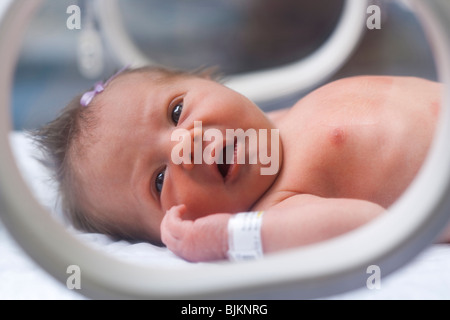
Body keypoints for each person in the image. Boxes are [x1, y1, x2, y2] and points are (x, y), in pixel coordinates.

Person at [33, 65, 449, 262]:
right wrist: (227, 238)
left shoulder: (281, 121)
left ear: (209, 79)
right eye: (159, 181)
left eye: (177, 112)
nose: (185, 145)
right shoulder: (280, 205)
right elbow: (373, 227)